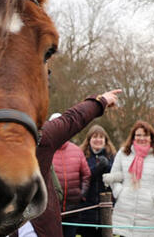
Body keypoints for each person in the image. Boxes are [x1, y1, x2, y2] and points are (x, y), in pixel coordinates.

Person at [12, 89, 120, 237]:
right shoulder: (42, 136)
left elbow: (72, 119)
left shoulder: (41, 137)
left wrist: (100, 101)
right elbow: (72, 118)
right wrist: (101, 101)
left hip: (41, 223)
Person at [103, 120, 154, 237]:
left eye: (145, 135)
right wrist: (119, 192)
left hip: (149, 211)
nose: (142, 138)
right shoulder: (123, 152)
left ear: (151, 137)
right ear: (133, 136)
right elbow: (114, 176)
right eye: (138, 135)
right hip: (125, 209)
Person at [77, 124, 117, 237]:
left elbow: (116, 176)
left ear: (105, 140)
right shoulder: (82, 156)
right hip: (87, 207)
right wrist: (97, 168)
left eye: (101, 137)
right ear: (89, 140)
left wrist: (107, 166)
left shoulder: (113, 156)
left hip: (107, 207)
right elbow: (83, 177)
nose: (98, 140)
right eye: (94, 137)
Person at [52, 131, 91, 237]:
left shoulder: (77, 150)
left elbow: (86, 175)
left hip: (73, 209)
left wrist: (81, 195)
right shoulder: (47, 150)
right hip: (52, 211)